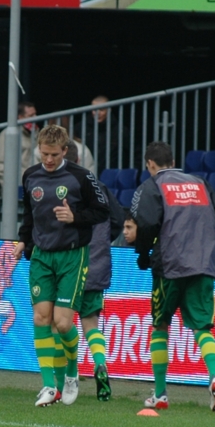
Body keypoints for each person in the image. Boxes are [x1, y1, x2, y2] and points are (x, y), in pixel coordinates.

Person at [15, 125, 110, 407]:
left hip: (72, 256)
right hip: (42, 256)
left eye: (54, 154)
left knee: (63, 322)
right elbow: (29, 214)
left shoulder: (81, 177)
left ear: (65, 151)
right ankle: (48, 385)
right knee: (41, 318)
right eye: (44, 154)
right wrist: (23, 241)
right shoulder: (30, 175)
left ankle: (71, 371)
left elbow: (102, 211)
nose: (48, 160)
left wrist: (75, 217)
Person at [131, 141, 215, 412]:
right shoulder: (201, 183)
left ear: (150, 164)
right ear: (172, 161)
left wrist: (143, 254)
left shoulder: (152, 186)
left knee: (160, 326)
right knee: (202, 328)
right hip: (203, 264)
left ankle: (160, 394)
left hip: (169, 267)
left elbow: (147, 224)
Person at [63, 140, 124, 401]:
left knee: (62, 324)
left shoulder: (60, 189)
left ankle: (69, 373)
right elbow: (119, 220)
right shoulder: (100, 188)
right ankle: (100, 363)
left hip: (67, 265)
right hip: (96, 264)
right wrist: (101, 241)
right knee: (91, 325)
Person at [74, 95, 134, 173]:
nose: (97, 113)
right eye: (94, 110)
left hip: (113, 176)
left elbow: (134, 153)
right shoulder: (81, 127)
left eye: (101, 109)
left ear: (109, 110)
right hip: (87, 173)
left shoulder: (120, 130)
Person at [0, 101, 38, 188]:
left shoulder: (36, 134)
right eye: (31, 116)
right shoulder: (7, 135)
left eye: (35, 114)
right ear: (21, 117)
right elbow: (1, 166)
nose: (35, 118)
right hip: (16, 187)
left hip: (35, 185)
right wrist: (9, 189)